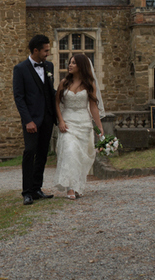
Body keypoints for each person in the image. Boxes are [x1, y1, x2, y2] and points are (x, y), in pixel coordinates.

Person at [13, 34, 57, 205]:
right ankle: (27, 192)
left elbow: (50, 91)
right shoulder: (20, 69)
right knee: (29, 152)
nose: (48, 53)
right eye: (45, 50)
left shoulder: (49, 66)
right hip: (31, 120)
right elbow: (19, 97)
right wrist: (27, 120)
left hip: (47, 118)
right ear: (36, 50)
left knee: (42, 154)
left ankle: (37, 188)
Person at [54, 53, 105, 200]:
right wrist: (61, 121)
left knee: (80, 157)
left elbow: (93, 107)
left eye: (74, 63)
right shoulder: (64, 83)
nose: (70, 65)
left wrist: (99, 127)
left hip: (84, 123)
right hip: (68, 123)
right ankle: (70, 188)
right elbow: (57, 103)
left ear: (81, 66)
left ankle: (77, 186)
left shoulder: (90, 85)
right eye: (70, 62)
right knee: (70, 151)